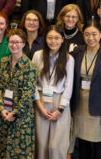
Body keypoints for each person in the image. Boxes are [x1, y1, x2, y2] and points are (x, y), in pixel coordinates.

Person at [70, 22, 101, 159]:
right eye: (87, 34)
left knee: (98, 146)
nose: (91, 38)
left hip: (99, 108)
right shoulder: (77, 52)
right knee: (82, 143)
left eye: (94, 34)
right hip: (79, 106)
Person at [0, 29, 36, 158]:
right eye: (11, 42)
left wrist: (14, 113)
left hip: (21, 117)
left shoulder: (29, 66)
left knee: (17, 152)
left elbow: (28, 94)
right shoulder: (3, 62)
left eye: (17, 42)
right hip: (3, 113)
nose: (14, 45)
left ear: (23, 44)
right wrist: (1, 108)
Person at [31, 27, 75, 159]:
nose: (53, 41)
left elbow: (69, 86)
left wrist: (60, 110)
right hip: (41, 100)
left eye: (56, 38)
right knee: (41, 143)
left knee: (57, 146)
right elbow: (31, 82)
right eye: (50, 37)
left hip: (60, 102)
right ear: (45, 39)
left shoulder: (68, 59)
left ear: (62, 39)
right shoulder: (38, 55)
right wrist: (39, 106)